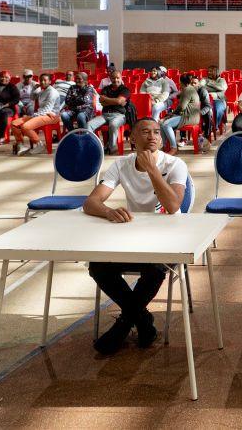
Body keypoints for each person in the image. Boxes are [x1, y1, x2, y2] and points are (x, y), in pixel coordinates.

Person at [82, 117, 190, 355]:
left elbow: (173, 206)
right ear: (131, 137)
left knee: (155, 269)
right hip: (133, 237)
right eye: (145, 132)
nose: (152, 136)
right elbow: (91, 203)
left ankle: (122, 326)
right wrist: (109, 212)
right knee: (98, 266)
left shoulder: (175, 164)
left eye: (156, 133)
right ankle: (142, 321)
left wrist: (152, 169)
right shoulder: (121, 164)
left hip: (169, 239)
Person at [10, 73, 60, 156]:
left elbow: (47, 109)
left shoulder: (52, 92)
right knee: (14, 124)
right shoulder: (42, 90)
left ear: (50, 81)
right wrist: (34, 88)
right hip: (41, 114)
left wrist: (33, 116)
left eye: (45, 80)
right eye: (41, 80)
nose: (42, 82)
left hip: (51, 116)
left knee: (25, 126)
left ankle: (39, 144)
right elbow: (32, 98)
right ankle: (21, 145)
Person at [161, 74, 210, 153]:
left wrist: (172, 114)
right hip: (188, 116)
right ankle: (165, 146)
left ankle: (173, 147)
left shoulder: (187, 90)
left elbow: (182, 107)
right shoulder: (188, 89)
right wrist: (172, 115)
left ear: (180, 82)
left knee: (166, 124)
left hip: (189, 117)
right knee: (162, 123)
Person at [88, 69, 130, 154]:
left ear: (121, 78)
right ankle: (94, 146)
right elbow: (102, 103)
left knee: (113, 124)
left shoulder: (125, 89)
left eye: (118, 78)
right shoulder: (106, 89)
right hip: (105, 115)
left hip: (119, 115)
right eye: (113, 78)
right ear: (110, 79)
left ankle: (112, 147)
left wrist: (107, 100)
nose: (116, 80)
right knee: (89, 125)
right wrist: (116, 101)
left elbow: (118, 101)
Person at [0, 71, 21, 144]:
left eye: (6, 77)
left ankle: (2, 136)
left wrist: (6, 105)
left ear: (9, 79)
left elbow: (16, 99)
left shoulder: (12, 87)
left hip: (8, 108)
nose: (3, 79)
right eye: (2, 77)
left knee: (3, 113)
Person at [203, 65, 228, 131]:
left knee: (217, 108)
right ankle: (205, 126)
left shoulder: (222, 80)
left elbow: (222, 88)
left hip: (218, 100)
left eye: (211, 71)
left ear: (216, 72)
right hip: (207, 100)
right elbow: (202, 87)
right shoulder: (204, 80)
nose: (209, 73)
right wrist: (216, 88)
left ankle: (215, 126)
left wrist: (210, 83)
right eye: (208, 71)